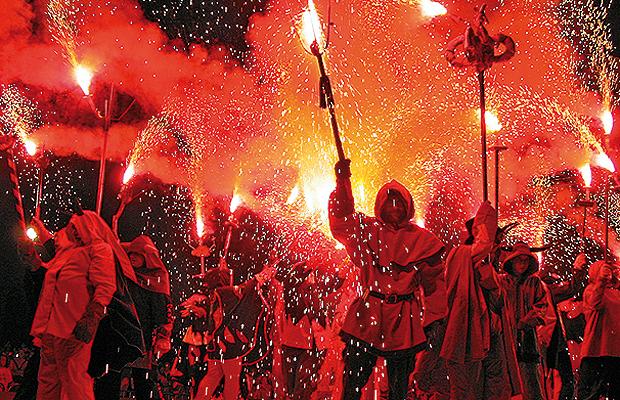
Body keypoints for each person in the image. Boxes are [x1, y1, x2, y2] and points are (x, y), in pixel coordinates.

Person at [328, 159, 444, 400]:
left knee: (399, 388)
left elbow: (433, 285)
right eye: (389, 202)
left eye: (398, 202)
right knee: (353, 382)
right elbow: (342, 218)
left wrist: (434, 319)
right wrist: (342, 182)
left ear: (407, 207)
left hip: (404, 318)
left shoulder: (422, 240)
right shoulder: (367, 230)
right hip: (369, 314)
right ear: (380, 205)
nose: (393, 207)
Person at [29, 211, 124, 399]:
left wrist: (92, 316)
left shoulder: (99, 249)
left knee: (74, 379)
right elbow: (49, 274)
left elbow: (105, 285)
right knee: (48, 382)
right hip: (51, 327)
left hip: (74, 325)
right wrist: (31, 257)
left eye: (76, 226)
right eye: (71, 226)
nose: (71, 230)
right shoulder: (66, 253)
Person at [441, 202, 519, 400]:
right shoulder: (462, 256)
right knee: (467, 388)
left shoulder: (487, 263)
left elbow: (499, 295)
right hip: (468, 329)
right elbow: (485, 276)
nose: (498, 243)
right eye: (495, 237)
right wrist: (486, 218)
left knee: (494, 380)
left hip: (489, 332)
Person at [182, 262, 276, 400]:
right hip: (228, 343)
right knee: (232, 379)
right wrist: (261, 277)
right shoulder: (224, 293)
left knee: (212, 376)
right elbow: (243, 290)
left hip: (216, 343)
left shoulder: (214, 294)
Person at [94, 235, 173, 399]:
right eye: (130, 255)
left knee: (143, 383)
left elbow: (162, 312)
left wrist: (162, 336)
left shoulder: (156, 279)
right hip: (118, 334)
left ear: (147, 258)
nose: (132, 258)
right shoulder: (123, 276)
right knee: (109, 379)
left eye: (137, 255)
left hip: (142, 337)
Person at [498, 242, 548, 400]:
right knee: (506, 376)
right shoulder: (501, 282)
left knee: (530, 377)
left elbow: (541, 307)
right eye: (519, 260)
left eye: (526, 260)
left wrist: (527, 321)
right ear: (511, 261)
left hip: (527, 339)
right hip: (505, 336)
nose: (522, 264)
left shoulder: (535, 283)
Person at [577, 260, 620, 400]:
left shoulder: (616, 293)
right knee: (590, 392)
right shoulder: (590, 290)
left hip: (614, 350)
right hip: (595, 350)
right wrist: (601, 281)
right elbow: (595, 303)